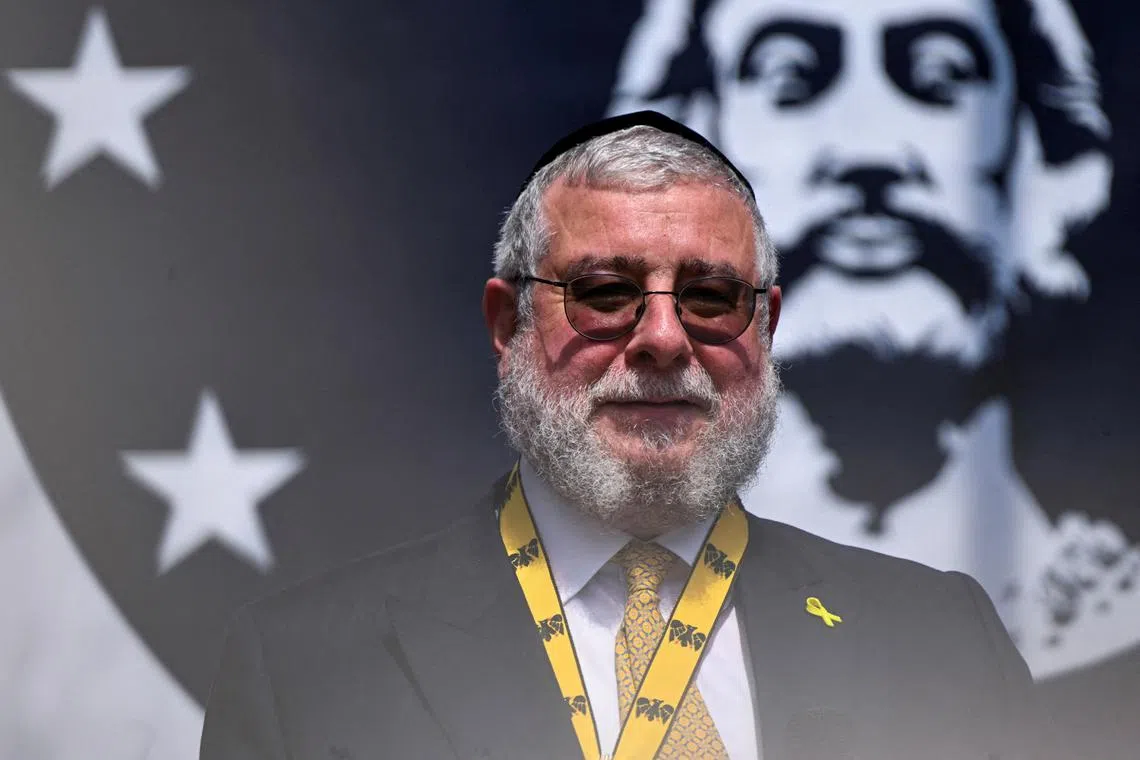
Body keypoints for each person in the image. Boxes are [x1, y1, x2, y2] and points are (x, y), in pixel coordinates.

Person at [199, 111, 1033, 760]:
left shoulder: (944, 642)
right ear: (507, 323)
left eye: (709, 295)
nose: (664, 339)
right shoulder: (305, 666)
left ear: (766, 329)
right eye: (605, 291)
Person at [609, 0, 1132, 681]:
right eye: (787, 79)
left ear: (1046, 166)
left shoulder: (1112, 629)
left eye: (943, 81)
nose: (870, 151)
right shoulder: (585, 630)